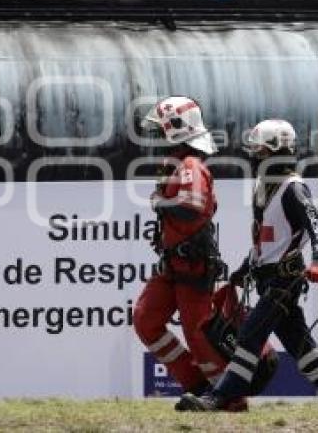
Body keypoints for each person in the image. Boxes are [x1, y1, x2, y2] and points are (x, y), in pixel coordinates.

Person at [178, 119, 318, 414]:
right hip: (267, 279)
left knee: (250, 335)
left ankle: (219, 397)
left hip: (285, 281)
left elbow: (317, 228)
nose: (255, 158)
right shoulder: (264, 189)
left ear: (278, 154)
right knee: (299, 344)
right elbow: (264, 242)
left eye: (261, 152)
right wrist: (246, 269)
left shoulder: (294, 190)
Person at [132, 96, 232, 408]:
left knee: (199, 334)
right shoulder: (178, 164)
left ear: (177, 128)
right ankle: (198, 385)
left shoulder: (191, 166)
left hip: (193, 265)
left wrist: (160, 203)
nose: (158, 136)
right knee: (146, 319)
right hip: (172, 263)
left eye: (162, 129)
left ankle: (228, 399)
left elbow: (192, 207)